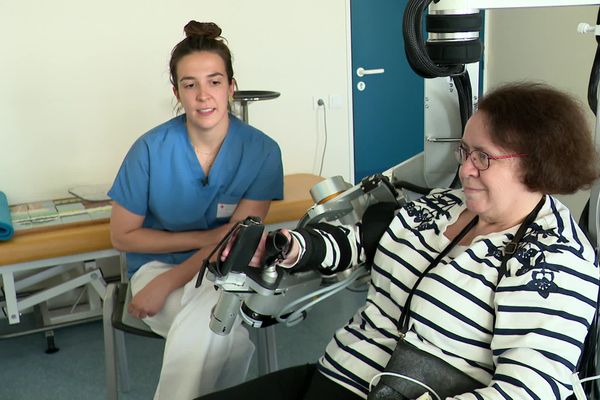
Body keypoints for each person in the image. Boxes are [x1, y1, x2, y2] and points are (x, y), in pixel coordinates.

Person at [198, 82, 600, 400]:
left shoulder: (555, 260)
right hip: (339, 374)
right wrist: (289, 248)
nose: (464, 171)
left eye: (483, 157)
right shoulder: (444, 205)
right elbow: (360, 244)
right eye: (464, 152)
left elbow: (528, 390)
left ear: (537, 163)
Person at [108, 21, 283, 399]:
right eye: (190, 84)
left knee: (214, 324)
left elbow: (237, 242)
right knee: (225, 332)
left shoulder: (263, 152)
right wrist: (204, 239)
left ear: (231, 87)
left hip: (224, 270)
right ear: (177, 92)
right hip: (154, 268)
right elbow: (122, 235)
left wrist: (168, 285)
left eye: (214, 81)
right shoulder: (150, 149)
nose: (204, 96)